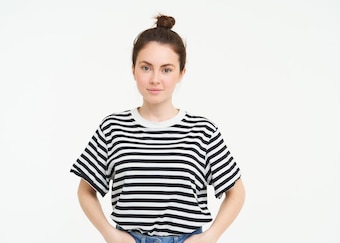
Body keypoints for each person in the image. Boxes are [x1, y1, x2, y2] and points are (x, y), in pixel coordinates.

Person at [70, 14, 245, 243]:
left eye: (166, 69)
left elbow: (236, 192)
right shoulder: (113, 128)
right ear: (133, 69)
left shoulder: (203, 131)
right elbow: (85, 190)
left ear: (181, 73)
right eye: (146, 67)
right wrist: (110, 234)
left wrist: (208, 238)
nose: (155, 79)